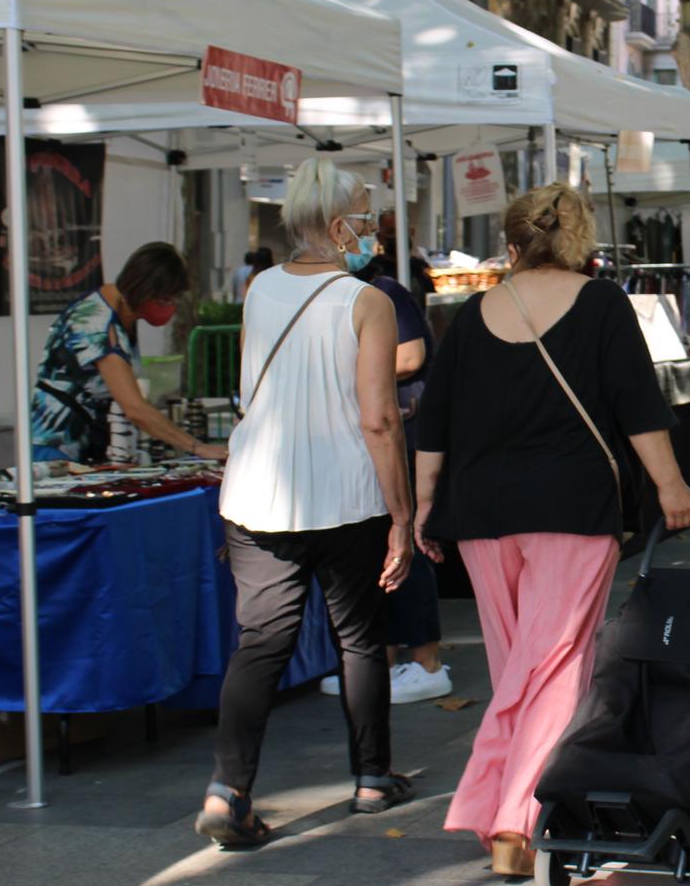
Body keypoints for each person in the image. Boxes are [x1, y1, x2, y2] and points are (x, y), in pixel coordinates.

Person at [415, 182, 690, 878]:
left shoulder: (473, 312)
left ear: (512, 243)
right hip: (573, 508)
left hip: (483, 512)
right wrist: (670, 486)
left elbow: (434, 420)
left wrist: (423, 506)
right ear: (580, 241)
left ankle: (506, 810)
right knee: (553, 665)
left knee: (517, 659)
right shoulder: (601, 304)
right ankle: (513, 815)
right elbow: (639, 405)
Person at [195, 159, 418, 849]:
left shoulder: (260, 288)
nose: (373, 228)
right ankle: (372, 775)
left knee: (260, 644)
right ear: (333, 222)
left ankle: (227, 790)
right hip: (345, 494)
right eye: (363, 212)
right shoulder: (367, 300)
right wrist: (404, 516)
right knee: (359, 637)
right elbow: (380, 418)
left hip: (260, 492)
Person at [320, 217, 451, 705]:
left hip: (404, 439)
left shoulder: (385, 292)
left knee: (409, 546)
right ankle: (388, 660)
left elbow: (411, 356)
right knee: (381, 549)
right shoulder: (351, 298)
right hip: (374, 439)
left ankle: (427, 662)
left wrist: (345, 375)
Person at [29, 243, 224, 464]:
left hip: (87, 449)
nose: (171, 307)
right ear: (146, 291)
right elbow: (134, 408)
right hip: (55, 450)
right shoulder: (97, 325)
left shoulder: (121, 314)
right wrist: (197, 447)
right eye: (166, 299)